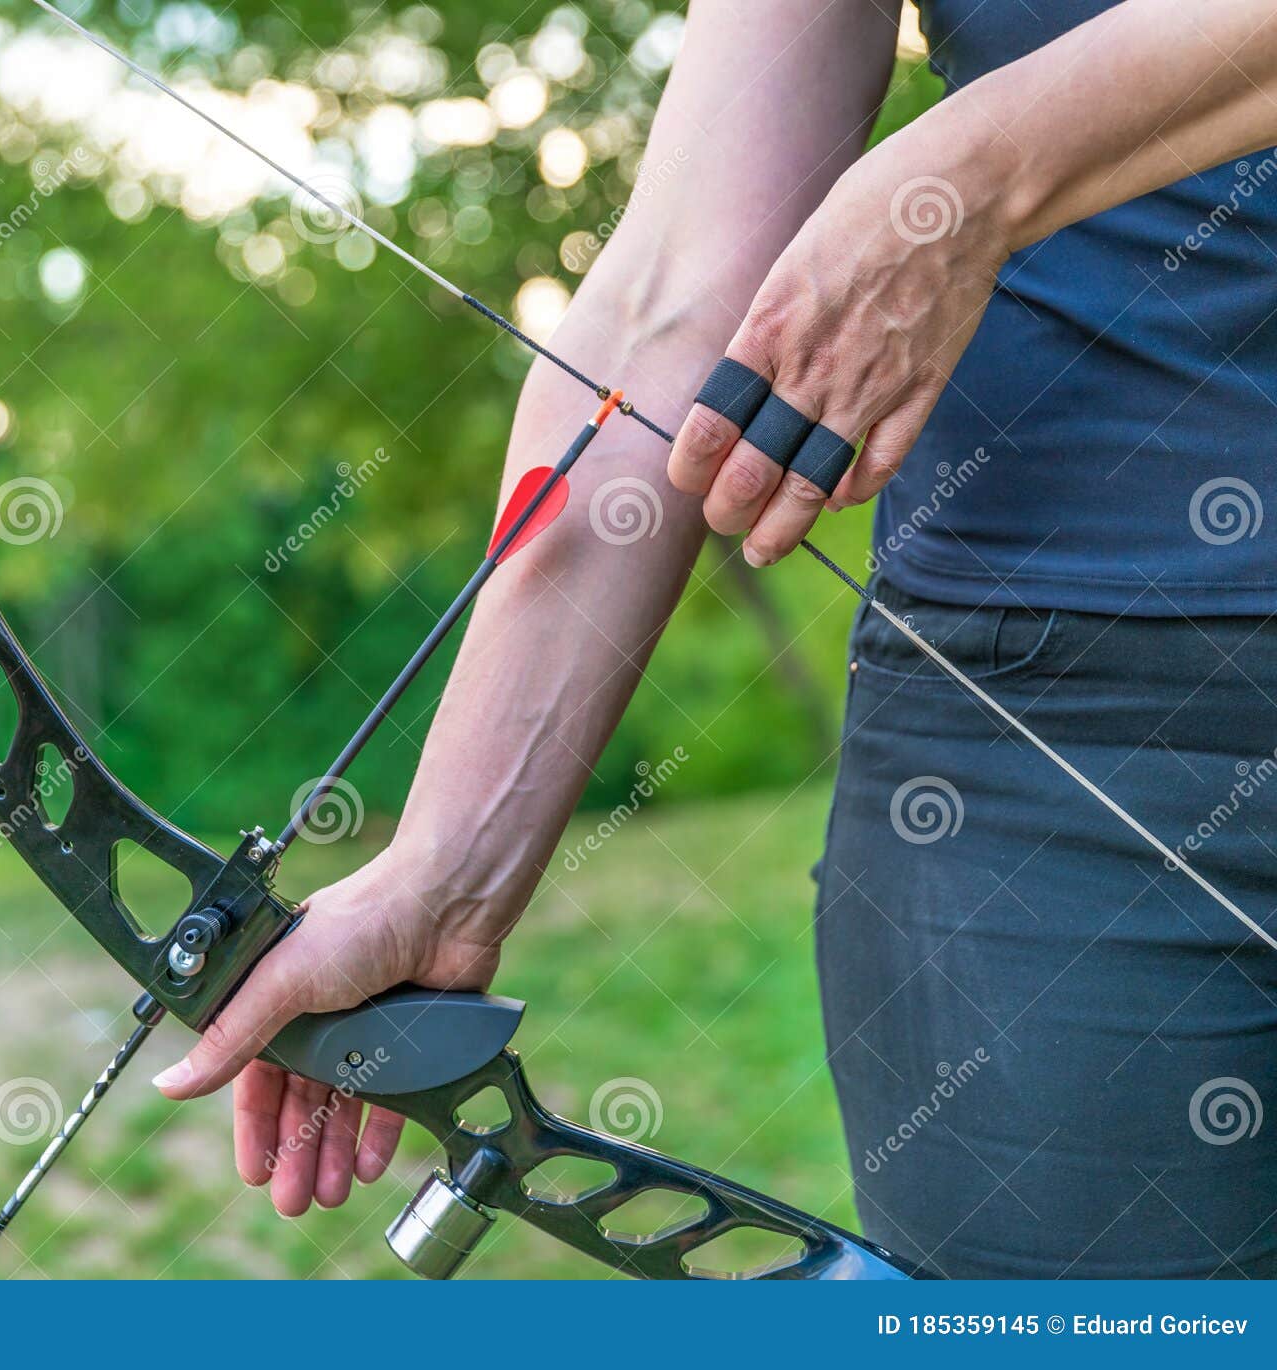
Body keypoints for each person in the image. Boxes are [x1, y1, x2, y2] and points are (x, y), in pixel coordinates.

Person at [150, 0, 1277, 1277]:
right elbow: (675, 298)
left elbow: (959, 181)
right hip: (1032, 773)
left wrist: (972, 169)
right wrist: (443, 873)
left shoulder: (964, 168)